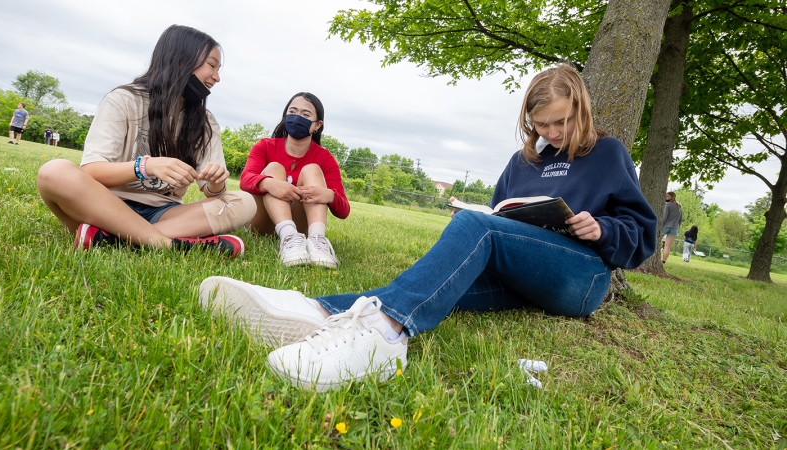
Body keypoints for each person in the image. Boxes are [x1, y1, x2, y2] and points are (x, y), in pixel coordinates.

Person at [199, 63, 658, 392]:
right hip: (519, 277)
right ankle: (312, 311)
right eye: (542, 124)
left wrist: (602, 229)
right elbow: (502, 215)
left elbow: (641, 237)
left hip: (580, 278)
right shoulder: (524, 160)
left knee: (477, 230)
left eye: (562, 122)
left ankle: (385, 338)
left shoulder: (608, 153)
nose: (553, 133)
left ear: (582, 109)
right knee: (427, 286)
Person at [37, 25, 256, 258]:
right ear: (181, 60)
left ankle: (112, 239)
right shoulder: (124, 100)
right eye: (212, 65)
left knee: (244, 202)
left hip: (165, 212)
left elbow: (214, 194)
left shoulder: (206, 122)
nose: (217, 77)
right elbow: (91, 171)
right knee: (54, 172)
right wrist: (146, 167)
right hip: (105, 206)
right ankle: (170, 244)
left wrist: (216, 182)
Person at [239, 92, 349, 269]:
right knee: (274, 167)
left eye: (306, 115)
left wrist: (329, 195)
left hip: (301, 226)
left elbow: (344, 210)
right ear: (285, 116)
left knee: (312, 169)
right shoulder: (265, 146)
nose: (297, 117)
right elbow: (245, 179)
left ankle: (316, 239)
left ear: (317, 125)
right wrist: (270, 183)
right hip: (262, 223)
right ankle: (287, 236)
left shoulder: (325, 157)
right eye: (293, 111)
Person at [660, 191, 682, 263]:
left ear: (672, 197)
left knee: (657, 241)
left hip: (666, 226)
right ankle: (664, 261)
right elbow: (680, 220)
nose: (666, 198)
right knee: (667, 246)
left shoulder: (668, 205)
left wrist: (660, 225)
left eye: (667, 196)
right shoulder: (679, 207)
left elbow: (665, 216)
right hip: (675, 228)